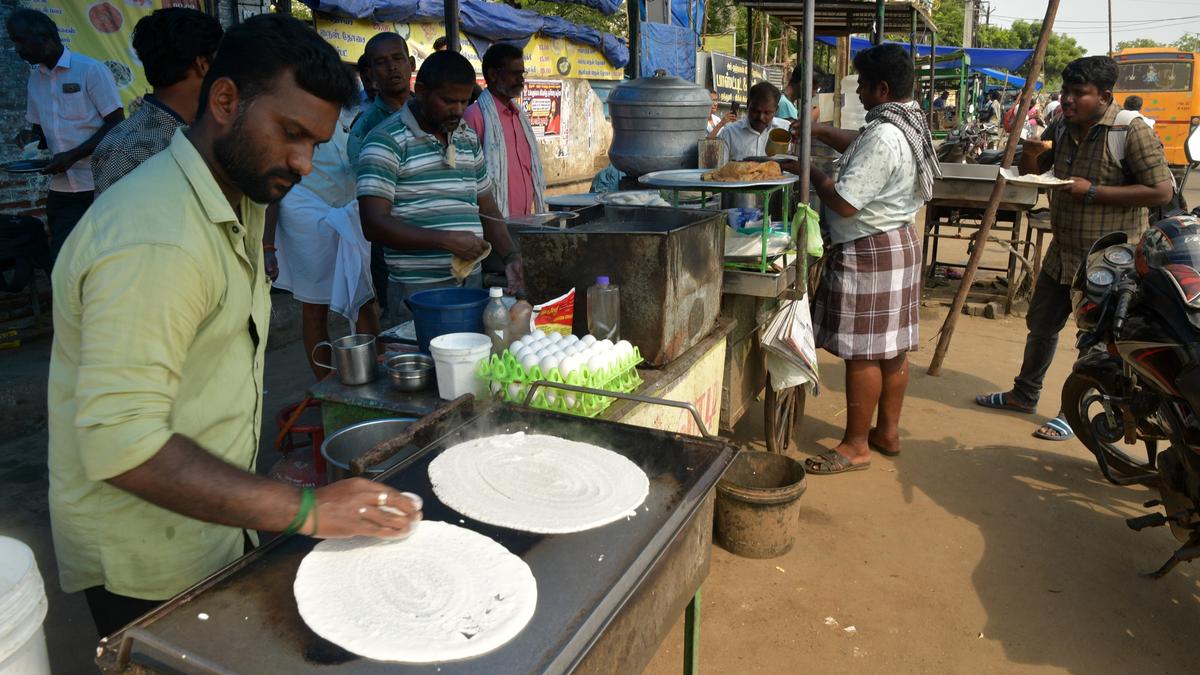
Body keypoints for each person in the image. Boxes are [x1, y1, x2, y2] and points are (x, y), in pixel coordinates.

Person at [48, 14, 421, 639]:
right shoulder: (157, 237)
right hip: (149, 558)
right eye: (291, 134)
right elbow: (122, 443)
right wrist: (306, 508)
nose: (303, 163)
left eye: (315, 144)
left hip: (209, 526)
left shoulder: (235, 195)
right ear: (224, 100)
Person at [976, 56, 1172, 441]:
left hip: (1109, 263)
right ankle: (1024, 394)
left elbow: (1162, 190)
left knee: (1095, 341)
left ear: (1104, 96)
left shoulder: (1128, 131)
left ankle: (1073, 409)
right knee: (1041, 325)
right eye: (1066, 91)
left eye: (1078, 93)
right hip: (1062, 252)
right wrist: (1032, 153)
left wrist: (1093, 191)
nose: (1067, 100)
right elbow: (1040, 169)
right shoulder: (1062, 126)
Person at [785, 44, 936, 475]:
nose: (859, 95)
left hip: (871, 249)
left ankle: (855, 444)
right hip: (897, 242)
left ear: (882, 88)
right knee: (891, 350)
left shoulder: (887, 134)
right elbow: (864, 141)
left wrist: (808, 171)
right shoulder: (905, 120)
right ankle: (886, 432)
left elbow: (846, 203)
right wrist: (824, 135)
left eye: (864, 87)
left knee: (865, 353)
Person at [357, 50, 523, 326]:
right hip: (417, 293)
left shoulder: (466, 136)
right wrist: (445, 240)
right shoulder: (385, 141)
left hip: (470, 284)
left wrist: (511, 257)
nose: (458, 110)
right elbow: (373, 224)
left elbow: (487, 207)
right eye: (448, 101)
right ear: (420, 91)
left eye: (463, 101)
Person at [274, 102, 381, 380]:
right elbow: (275, 175)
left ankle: (374, 376)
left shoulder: (356, 113)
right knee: (314, 307)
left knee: (365, 298)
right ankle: (324, 387)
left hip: (351, 209)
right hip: (306, 215)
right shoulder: (291, 113)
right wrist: (266, 246)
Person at [8, 8, 123, 261]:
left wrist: (72, 155)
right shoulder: (34, 81)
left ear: (44, 35)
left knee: (108, 259)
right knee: (64, 262)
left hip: (101, 184)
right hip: (63, 189)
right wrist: (29, 138)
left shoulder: (90, 70)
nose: (18, 49)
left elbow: (116, 124)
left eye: (21, 41)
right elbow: (40, 133)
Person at [92, 8, 223, 195]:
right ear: (203, 64)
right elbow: (118, 222)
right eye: (223, 59)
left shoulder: (206, 131)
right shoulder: (125, 150)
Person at [463, 43, 545, 218]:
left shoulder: (520, 117)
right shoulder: (474, 116)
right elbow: (467, 179)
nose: (521, 80)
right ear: (493, 75)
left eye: (522, 74)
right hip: (491, 223)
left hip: (525, 220)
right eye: (515, 74)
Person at [348, 32, 414, 162]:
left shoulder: (432, 112)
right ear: (371, 74)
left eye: (397, 58)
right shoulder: (364, 128)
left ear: (411, 64)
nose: (392, 67)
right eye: (381, 62)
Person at [715, 81, 790, 160]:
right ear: (748, 105)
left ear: (776, 110)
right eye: (756, 111)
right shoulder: (728, 133)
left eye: (767, 113)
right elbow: (718, 168)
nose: (760, 117)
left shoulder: (787, 130)